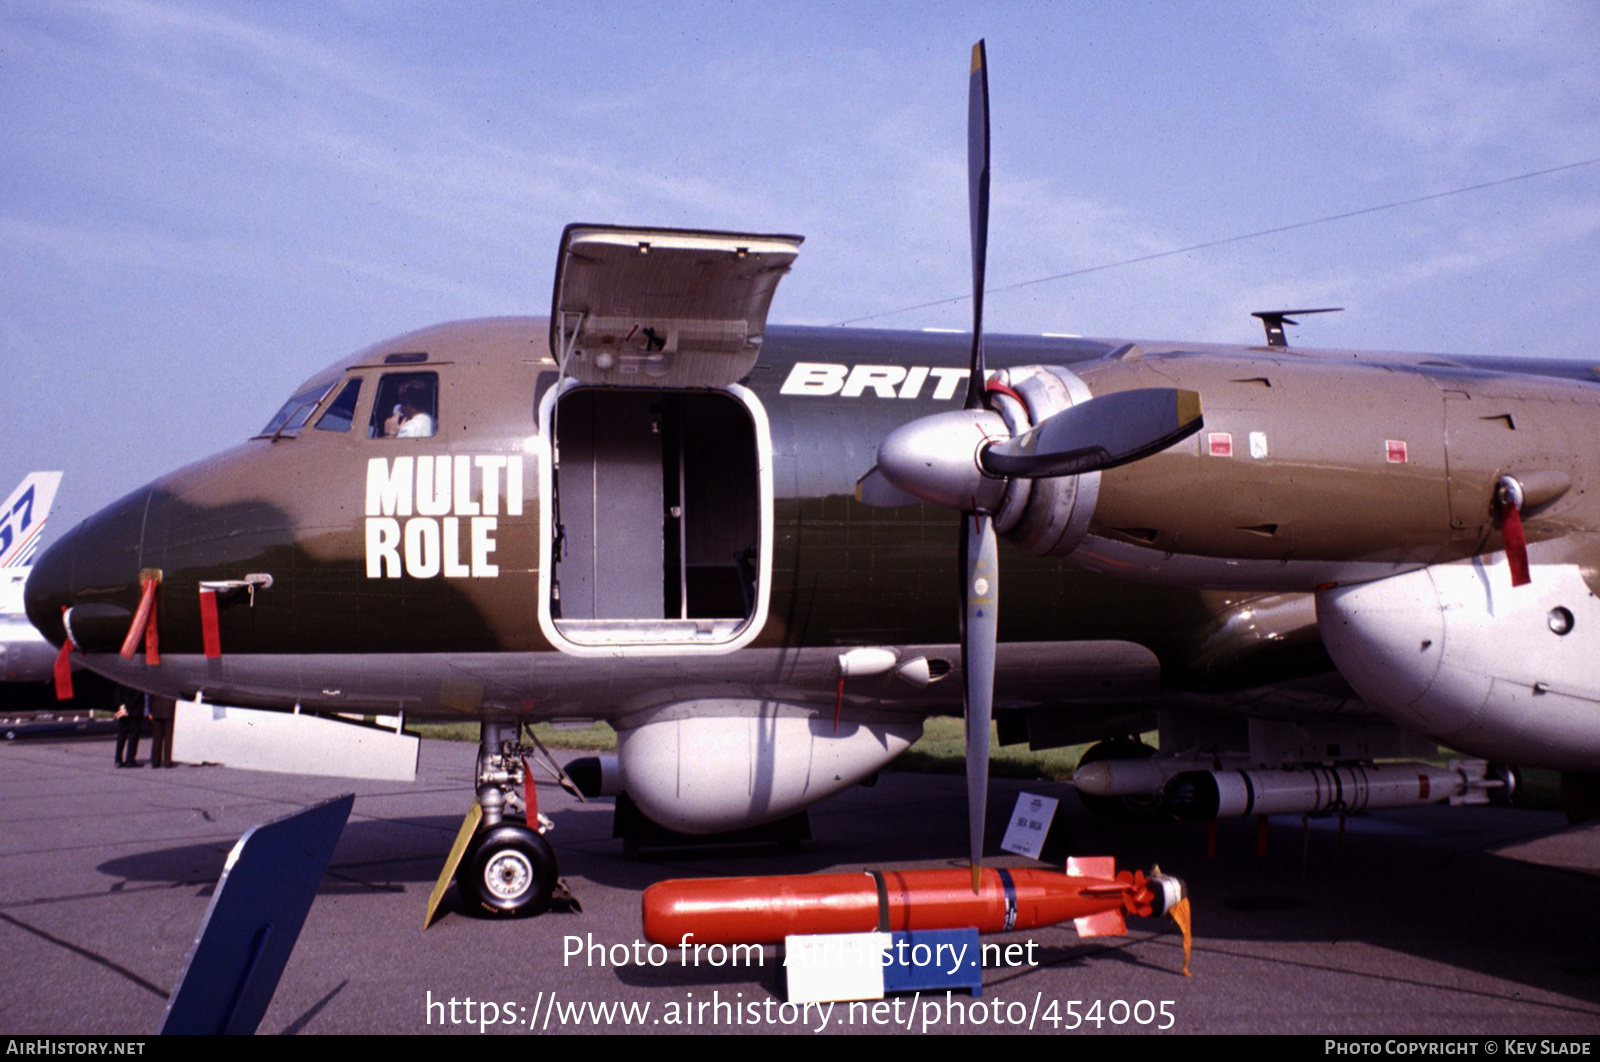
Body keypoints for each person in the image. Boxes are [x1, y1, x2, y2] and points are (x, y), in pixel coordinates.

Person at [113, 684, 145, 768]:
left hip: (122, 711)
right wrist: (128, 708)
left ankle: (118, 760)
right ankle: (130, 760)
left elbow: (117, 694)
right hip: (135, 711)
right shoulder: (137, 680)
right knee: (133, 736)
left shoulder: (122, 679)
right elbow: (138, 696)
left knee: (121, 736)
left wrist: (122, 706)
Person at [148, 694, 176, 768]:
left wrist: (150, 710)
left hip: (156, 709)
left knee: (156, 738)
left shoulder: (156, 683)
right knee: (168, 737)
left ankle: (155, 761)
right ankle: (168, 761)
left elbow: (151, 696)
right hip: (170, 710)